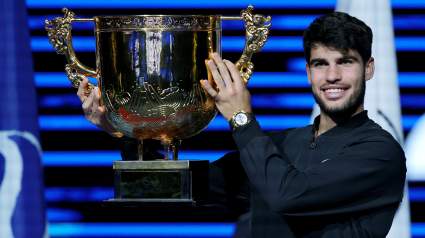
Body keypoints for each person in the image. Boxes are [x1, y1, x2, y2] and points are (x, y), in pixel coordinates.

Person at [77, 12, 406, 238]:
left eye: (345, 62)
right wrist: (126, 127)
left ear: (368, 69)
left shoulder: (379, 152)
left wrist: (240, 118)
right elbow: (171, 187)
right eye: (321, 64)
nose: (332, 76)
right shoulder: (278, 146)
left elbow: (287, 196)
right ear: (308, 73)